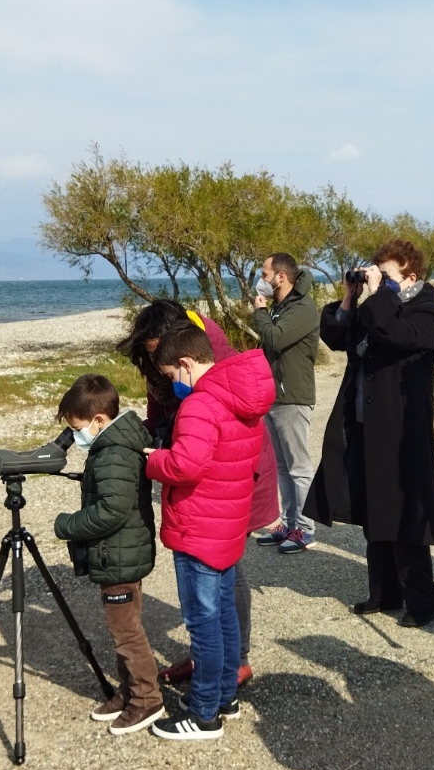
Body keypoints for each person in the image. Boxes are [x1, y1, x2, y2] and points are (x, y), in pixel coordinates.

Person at [118, 300, 276, 687]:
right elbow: (162, 412)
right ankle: (212, 660)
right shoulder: (175, 364)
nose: (157, 366)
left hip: (233, 477)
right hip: (211, 474)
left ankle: (231, 665)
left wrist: (157, 461)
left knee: (227, 569)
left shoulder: (212, 360)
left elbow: (204, 440)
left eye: (161, 357)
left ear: (183, 351)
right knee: (214, 581)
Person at [305, 239, 434, 628]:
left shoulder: (426, 310)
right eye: (375, 272)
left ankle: (423, 601)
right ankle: (384, 592)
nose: (378, 281)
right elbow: (335, 338)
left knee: (405, 516)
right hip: (364, 425)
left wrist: (380, 293)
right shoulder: (374, 306)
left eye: (387, 275)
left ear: (410, 277)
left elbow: (398, 333)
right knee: (373, 512)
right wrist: (350, 298)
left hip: (402, 431)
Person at [145, 327, 274, 740]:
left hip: (199, 527)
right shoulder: (241, 398)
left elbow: (186, 466)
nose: (172, 385)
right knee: (222, 616)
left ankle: (203, 714)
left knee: (202, 623)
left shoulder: (201, 404)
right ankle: (224, 695)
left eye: (170, 376)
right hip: (229, 524)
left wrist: (152, 460)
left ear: (186, 364)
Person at [52, 374, 163, 736]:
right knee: (123, 627)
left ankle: (147, 700)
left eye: (79, 428)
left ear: (99, 419)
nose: (77, 436)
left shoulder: (114, 453)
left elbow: (111, 511)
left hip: (119, 555)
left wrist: (67, 524)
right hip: (119, 553)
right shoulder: (113, 445)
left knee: (126, 632)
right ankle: (130, 689)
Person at [252, 252, 320, 554]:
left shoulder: (302, 307)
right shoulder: (281, 306)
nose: (261, 280)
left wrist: (259, 312)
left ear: (281, 276)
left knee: (299, 468)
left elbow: (275, 339)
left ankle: (305, 528)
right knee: (281, 467)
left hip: (293, 397)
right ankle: (288, 524)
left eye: (265, 274)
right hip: (273, 396)